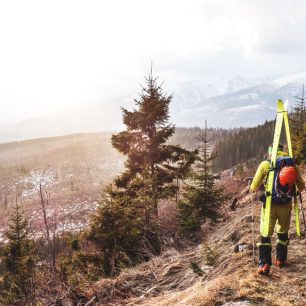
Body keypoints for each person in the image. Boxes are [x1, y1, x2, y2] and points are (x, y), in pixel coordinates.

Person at [250, 144, 305, 275]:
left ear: (270, 152)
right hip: (285, 204)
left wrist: (254, 186)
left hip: (270, 204)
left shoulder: (266, 164)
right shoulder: (292, 165)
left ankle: (264, 263)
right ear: (282, 151)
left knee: (266, 233)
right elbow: (301, 186)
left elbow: (254, 186)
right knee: (283, 231)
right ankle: (280, 259)